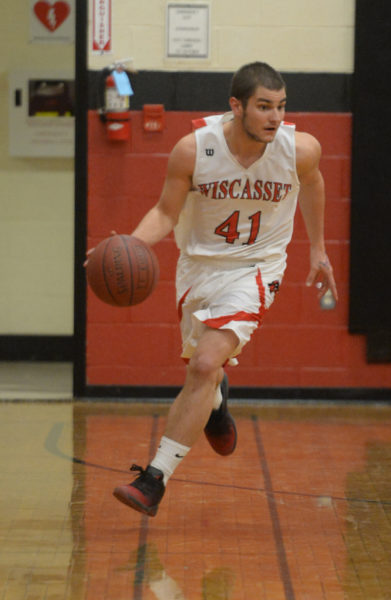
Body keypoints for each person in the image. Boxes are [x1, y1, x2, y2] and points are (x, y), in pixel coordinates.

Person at [105, 61, 338, 517]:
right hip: (198, 268)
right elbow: (166, 213)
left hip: (258, 266)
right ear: (237, 106)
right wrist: (128, 245)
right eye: (264, 107)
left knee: (207, 361)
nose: (275, 117)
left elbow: (313, 184)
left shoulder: (300, 149)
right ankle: (215, 403)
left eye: (281, 106)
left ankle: (153, 479)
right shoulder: (193, 150)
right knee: (203, 368)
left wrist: (319, 249)